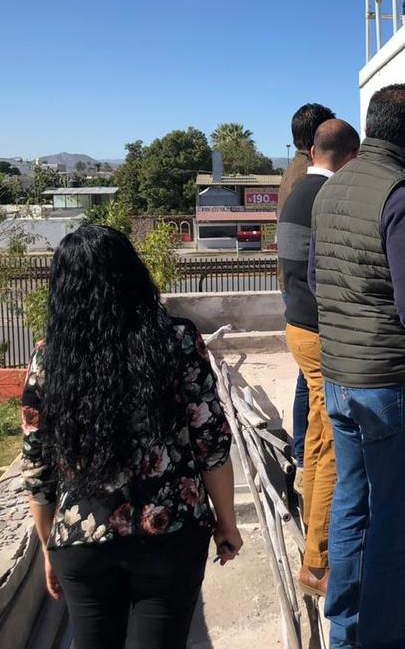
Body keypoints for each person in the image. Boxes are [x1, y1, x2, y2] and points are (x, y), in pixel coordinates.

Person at [20, 225, 242, 649]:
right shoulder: (178, 341)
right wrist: (226, 522)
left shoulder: (49, 357)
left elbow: (36, 463)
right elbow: (211, 443)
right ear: (132, 273)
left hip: (82, 539)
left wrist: (50, 544)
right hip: (171, 531)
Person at [309, 84, 405, 649]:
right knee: (397, 524)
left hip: (341, 378)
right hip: (393, 384)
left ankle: (344, 633)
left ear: (371, 128)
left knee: (352, 506)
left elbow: (316, 280)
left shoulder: (331, 187)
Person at [278, 119, 360, 597]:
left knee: (314, 436)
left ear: (312, 151)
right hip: (321, 332)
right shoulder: (330, 198)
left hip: (298, 327)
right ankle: (318, 563)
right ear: (352, 157)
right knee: (331, 444)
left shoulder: (297, 192)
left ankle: (313, 524)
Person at [278, 102, 336, 495]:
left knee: (307, 381)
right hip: (306, 290)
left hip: (294, 285)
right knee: (314, 389)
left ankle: (303, 455)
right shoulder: (311, 181)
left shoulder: (294, 173)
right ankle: (303, 456)